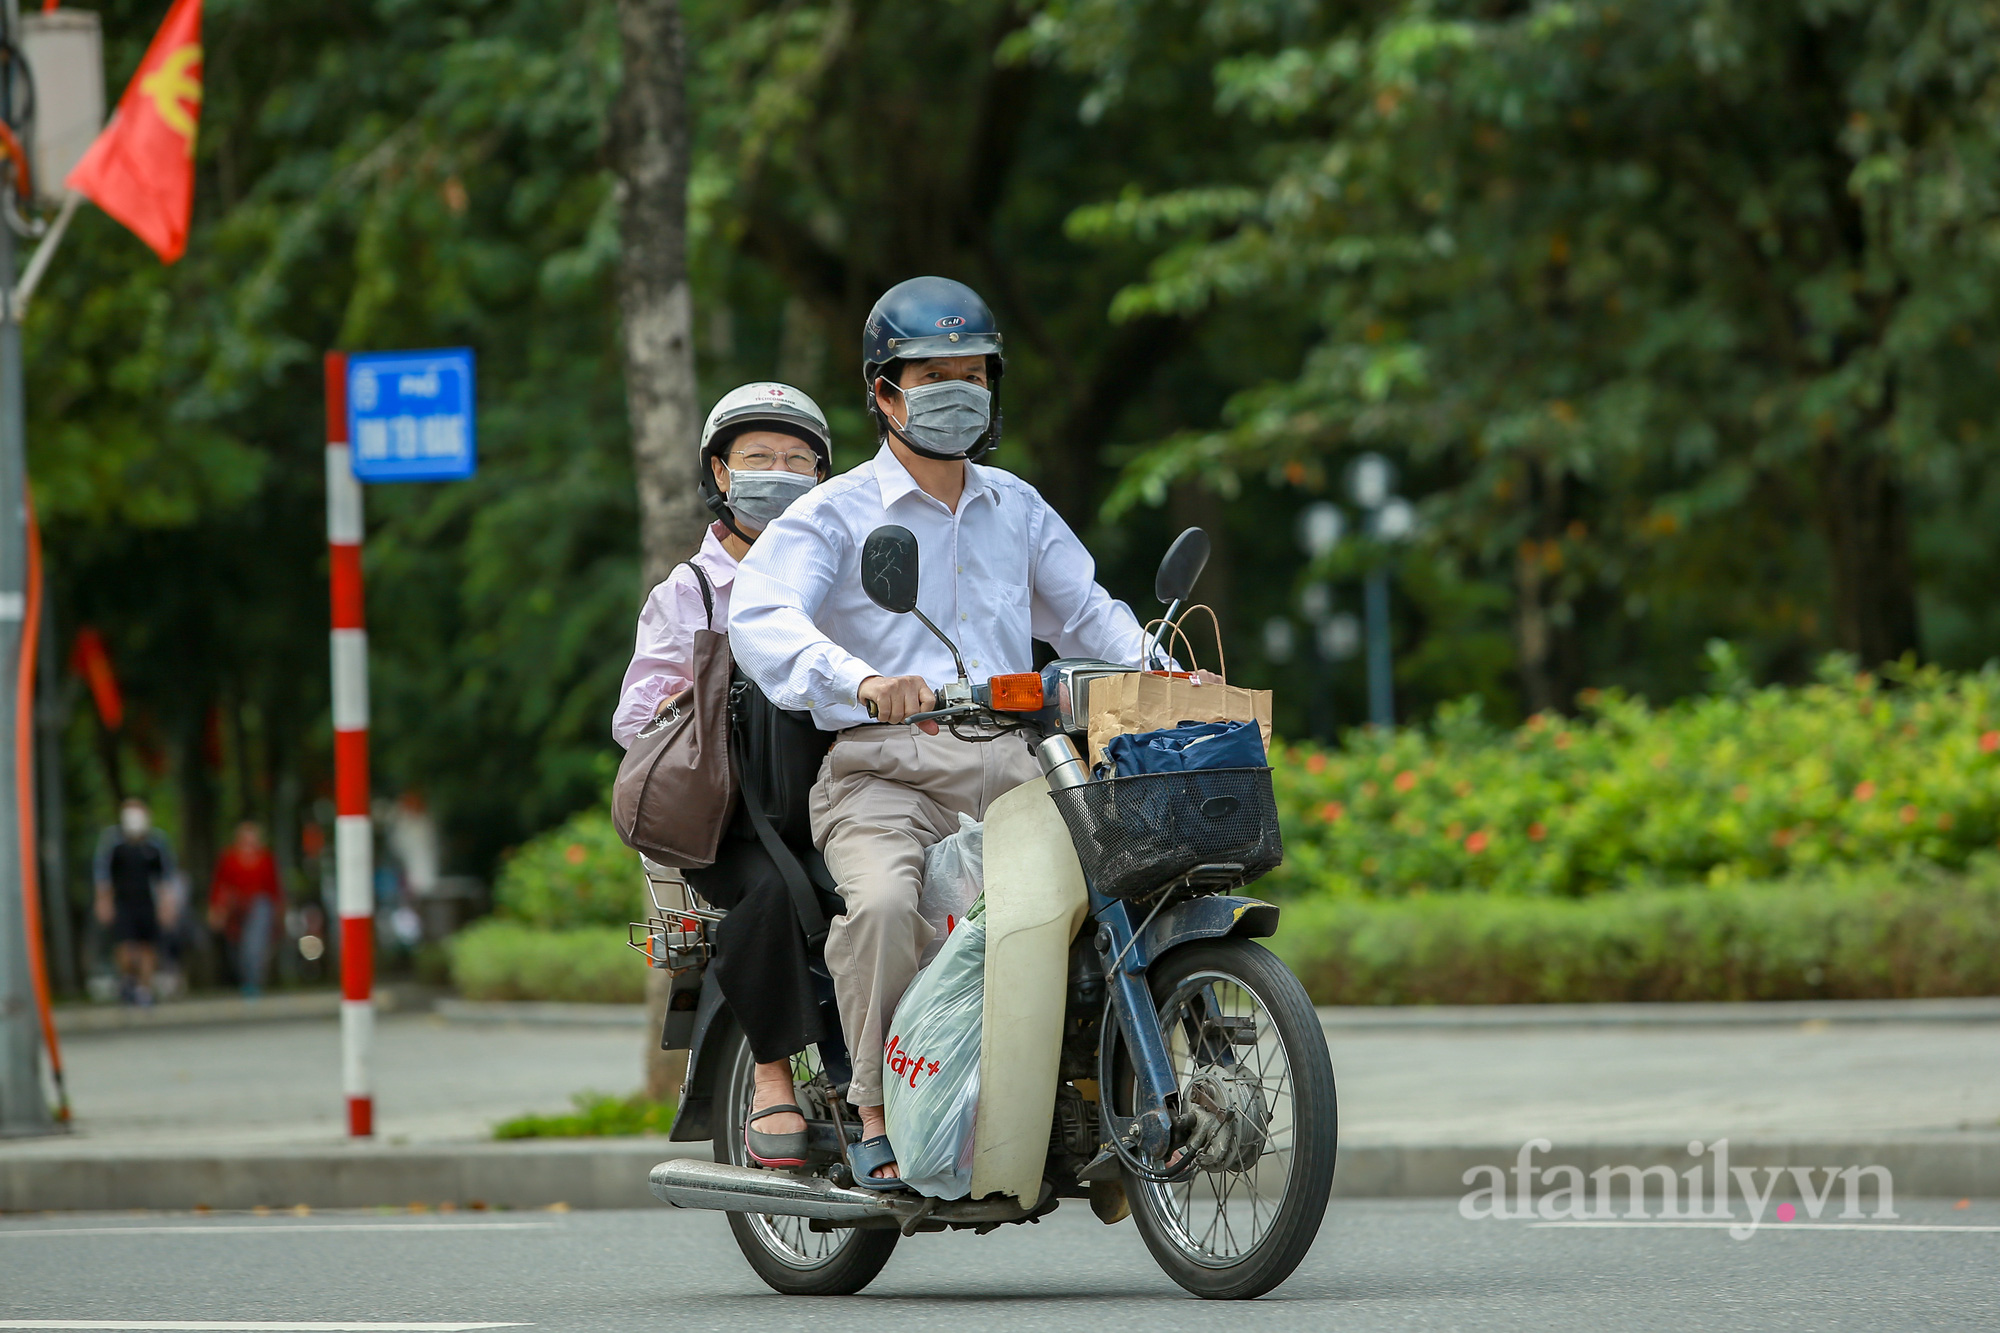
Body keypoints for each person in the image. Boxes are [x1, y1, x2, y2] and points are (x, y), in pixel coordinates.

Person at [730, 276, 1160, 1187]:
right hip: (881, 774)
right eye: (933, 374)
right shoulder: (834, 513)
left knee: (1122, 894)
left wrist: (1167, 677)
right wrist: (861, 679)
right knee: (885, 905)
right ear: (884, 391)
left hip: (1015, 764)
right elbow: (763, 617)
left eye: (974, 371)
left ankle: (1097, 1090)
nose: (957, 387)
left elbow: (1088, 612)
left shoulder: (1017, 507)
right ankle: (878, 1108)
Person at [613, 381, 833, 1168]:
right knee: (776, 891)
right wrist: (713, 701)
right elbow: (634, 718)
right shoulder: (691, 592)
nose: (779, 471)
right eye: (758, 458)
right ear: (720, 471)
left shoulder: (836, 583)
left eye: (796, 460)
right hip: (725, 814)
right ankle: (771, 1074)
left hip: (826, 794)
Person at [92, 798, 177, 1006]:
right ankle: (128, 980)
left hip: (147, 902)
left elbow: (165, 878)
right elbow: (103, 875)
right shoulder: (113, 842)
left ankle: (144, 990)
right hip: (123, 902)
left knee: (148, 947)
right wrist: (103, 902)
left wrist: (167, 905)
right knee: (125, 947)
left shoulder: (156, 842)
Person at [209, 821, 284, 998]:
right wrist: (217, 909)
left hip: (260, 907)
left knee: (254, 946)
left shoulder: (266, 859)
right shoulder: (229, 858)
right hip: (235, 910)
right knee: (237, 948)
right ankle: (245, 981)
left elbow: (274, 889)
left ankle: (254, 982)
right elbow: (220, 885)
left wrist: (279, 915)